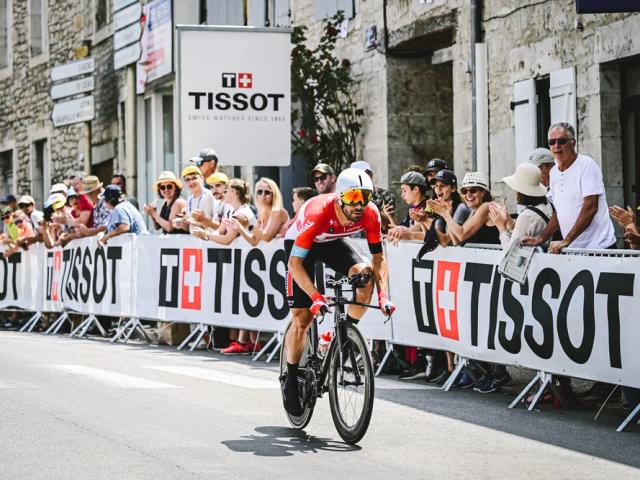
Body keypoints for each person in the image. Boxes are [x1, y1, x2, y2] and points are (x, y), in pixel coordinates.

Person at [282, 167, 395, 415]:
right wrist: (315, 297)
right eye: (354, 197)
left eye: (365, 197)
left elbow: (378, 259)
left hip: (332, 242)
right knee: (302, 319)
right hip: (303, 245)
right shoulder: (317, 211)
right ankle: (291, 375)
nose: (360, 205)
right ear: (340, 196)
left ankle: (338, 338)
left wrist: (383, 295)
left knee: (365, 277)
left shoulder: (370, 213)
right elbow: (294, 264)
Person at [522, 122, 616, 254]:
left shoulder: (586, 165)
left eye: (561, 141)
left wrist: (566, 240)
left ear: (573, 143)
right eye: (552, 142)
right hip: (574, 250)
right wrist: (541, 238)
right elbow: (558, 213)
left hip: (599, 248)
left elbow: (590, 207)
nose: (556, 146)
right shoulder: (554, 173)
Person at [192, 178, 258, 354]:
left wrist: (205, 236)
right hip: (236, 261)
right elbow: (220, 231)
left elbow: (227, 239)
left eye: (227, 190)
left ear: (234, 193)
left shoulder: (243, 212)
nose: (224, 193)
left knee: (244, 299)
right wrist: (205, 233)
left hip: (246, 261)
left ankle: (245, 342)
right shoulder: (230, 210)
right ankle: (251, 341)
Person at [488, 162, 553, 250]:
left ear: (520, 191)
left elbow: (510, 251)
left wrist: (501, 228)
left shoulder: (527, 215)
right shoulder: (548, 206)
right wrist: (509, 220)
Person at [429, 172, 498, 246]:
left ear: (483, 192)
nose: (468, 195)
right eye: (464, 191)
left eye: (473, 190)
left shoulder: (486, 206)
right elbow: (456, 241)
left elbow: (461, 235)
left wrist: (445, 214)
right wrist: (448, 214)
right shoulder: (474, 211)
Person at [231, 177, 290, 246]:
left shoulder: (279, 212)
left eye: (267, 192)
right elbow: (254, 241)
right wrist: (239, 227)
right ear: (256, 195)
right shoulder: (262, 215)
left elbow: (267, 237)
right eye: (260, 192)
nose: (263, 195)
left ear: (274, 194)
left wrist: (249, 225)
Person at [351, 160, 395, 234]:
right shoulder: (350, 195)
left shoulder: (386, 195)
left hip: (378, 238)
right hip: (355, 239)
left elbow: (387, 225)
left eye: (361, 175)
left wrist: (369, 204)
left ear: (370, 175)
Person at [386, 171, 430, 244]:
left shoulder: (429, 206)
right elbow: (403, 230)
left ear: (416, 189)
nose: (402, 195)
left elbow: (415, 229)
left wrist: (403, 232)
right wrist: (391, 217)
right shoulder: (413, 208)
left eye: (404, 190)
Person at [174, 166, 217, 234]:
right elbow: (189, 228)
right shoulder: (189, 200)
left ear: (202, 178)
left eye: (194, 178)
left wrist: (191, 221)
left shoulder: (210, 195)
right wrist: (182, 224)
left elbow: (216, 224)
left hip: (209, 240)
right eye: (187, 180)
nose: (191, 182)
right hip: (194, 241)